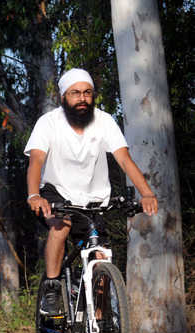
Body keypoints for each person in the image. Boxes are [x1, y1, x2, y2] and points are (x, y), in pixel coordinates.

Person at [25, 68, 158, 316]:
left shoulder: (104, 121)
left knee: (102, 258)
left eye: (87, 92)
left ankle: (97, 332)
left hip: (93, 202)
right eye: (75, 93)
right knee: (61, 225)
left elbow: (125, 160)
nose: (82, 98)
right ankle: (53, 288)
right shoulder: (49, 123)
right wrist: (34, 195)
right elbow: (36, 161)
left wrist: (147, 193)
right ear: (63, 96)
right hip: (56, 194)